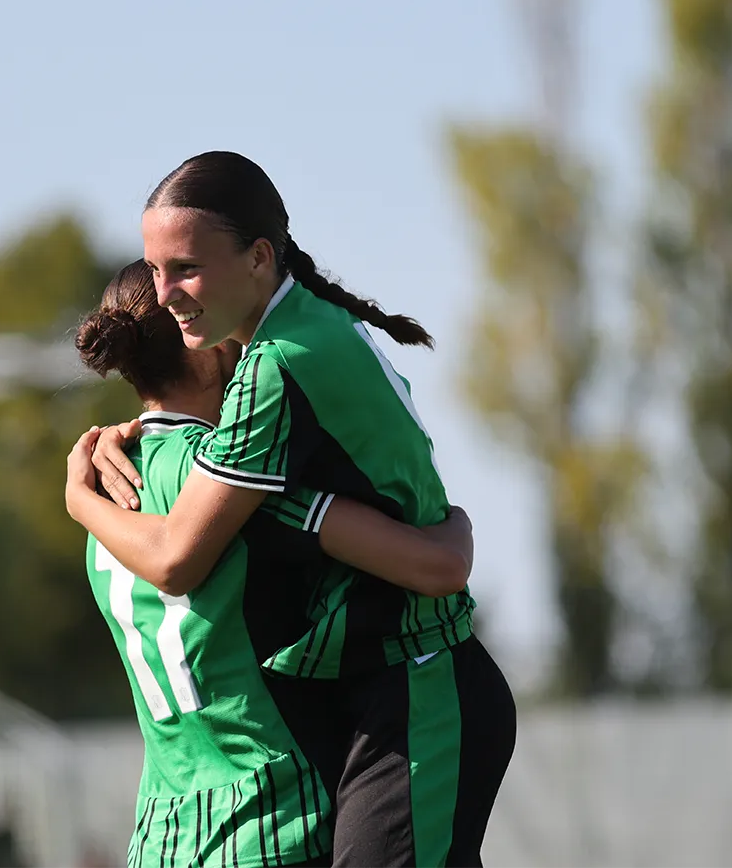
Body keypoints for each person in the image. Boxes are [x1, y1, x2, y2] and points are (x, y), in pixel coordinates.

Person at [67, 151, 516, 868]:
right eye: (155, 270)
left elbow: (176, 556)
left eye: (186, 268)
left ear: (258, 256)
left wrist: (78, 496)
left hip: (418, 684)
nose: (168, 291)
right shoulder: (307, 328)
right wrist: (452, 532)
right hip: (373, 701)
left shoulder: (270, 373)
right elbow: (440, 553)